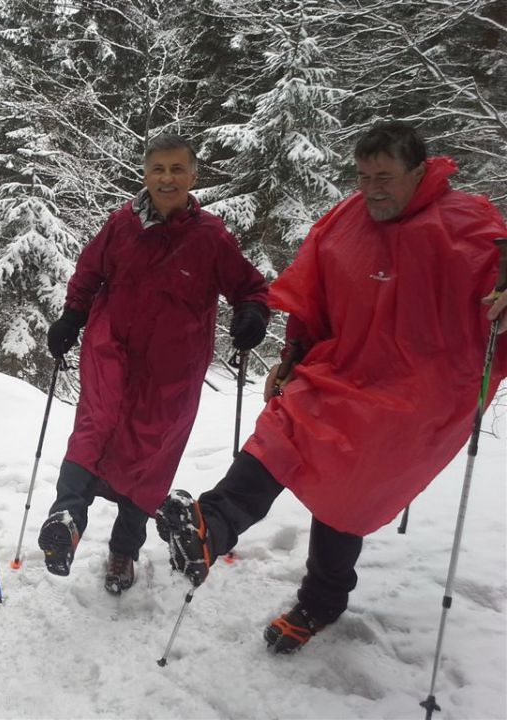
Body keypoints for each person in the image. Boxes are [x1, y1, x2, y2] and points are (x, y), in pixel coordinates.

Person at [156, 120, 507, 653]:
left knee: (348, 478)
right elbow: (311, 292)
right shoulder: (347, 219)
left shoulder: (467, 223)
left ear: (419, 172)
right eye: (364, 177)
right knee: (284, 423)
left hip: (420, 390)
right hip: (343, 367)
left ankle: (322, 600)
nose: (373, 190)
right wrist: (293, 353)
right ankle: (213, 524)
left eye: (385, 177)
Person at [37, 133, 270, 595]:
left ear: (193, 175)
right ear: (145, 175)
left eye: (177, 169)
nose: (167, 178)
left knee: (151, 458)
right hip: (112, 349)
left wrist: (252, 313)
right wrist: (72, 317)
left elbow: (249, 286)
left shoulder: (210, 236)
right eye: (158, 169)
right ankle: (66, 517)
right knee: (94, 427)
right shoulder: (121, 225)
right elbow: (88, 274)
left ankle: (124, 549)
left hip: (173, 370)